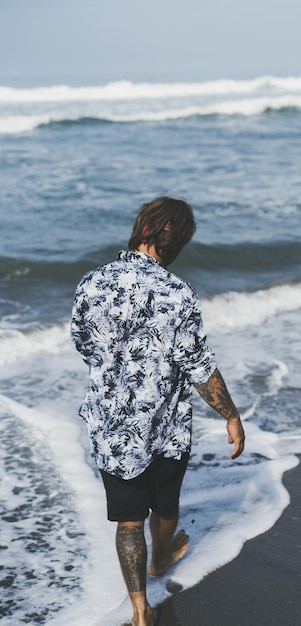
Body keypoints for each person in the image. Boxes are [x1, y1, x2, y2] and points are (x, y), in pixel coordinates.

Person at [71, 196, 245, 626]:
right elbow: (198, 366)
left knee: (129, 518)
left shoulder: (91, 283)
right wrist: (231, 415)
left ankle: (140, 610)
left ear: (141, 229)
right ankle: (162, 557)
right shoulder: (177, 293)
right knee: (166, 503)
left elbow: (83, 343)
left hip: (113, 425)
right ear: (176, 240)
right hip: (165, 425)